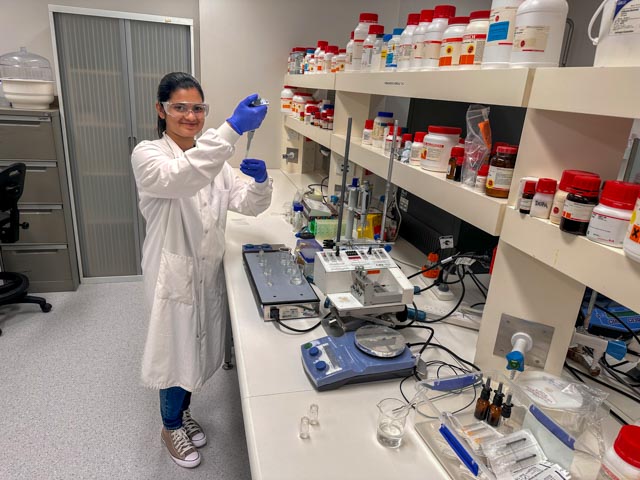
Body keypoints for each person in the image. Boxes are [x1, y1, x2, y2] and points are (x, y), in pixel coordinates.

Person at [131, 72, 272, 468]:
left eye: (197, 108)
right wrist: (231, 128)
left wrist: (260, 183)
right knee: (174, 351)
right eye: (180, 107)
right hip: (171, 273)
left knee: (193, 350)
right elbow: (184, 176)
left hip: (205, 269)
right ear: (161, 110)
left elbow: (247, 202)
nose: (190, 116)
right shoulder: (149, 155)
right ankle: (170, 424)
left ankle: (183, 411)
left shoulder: (214, 161)